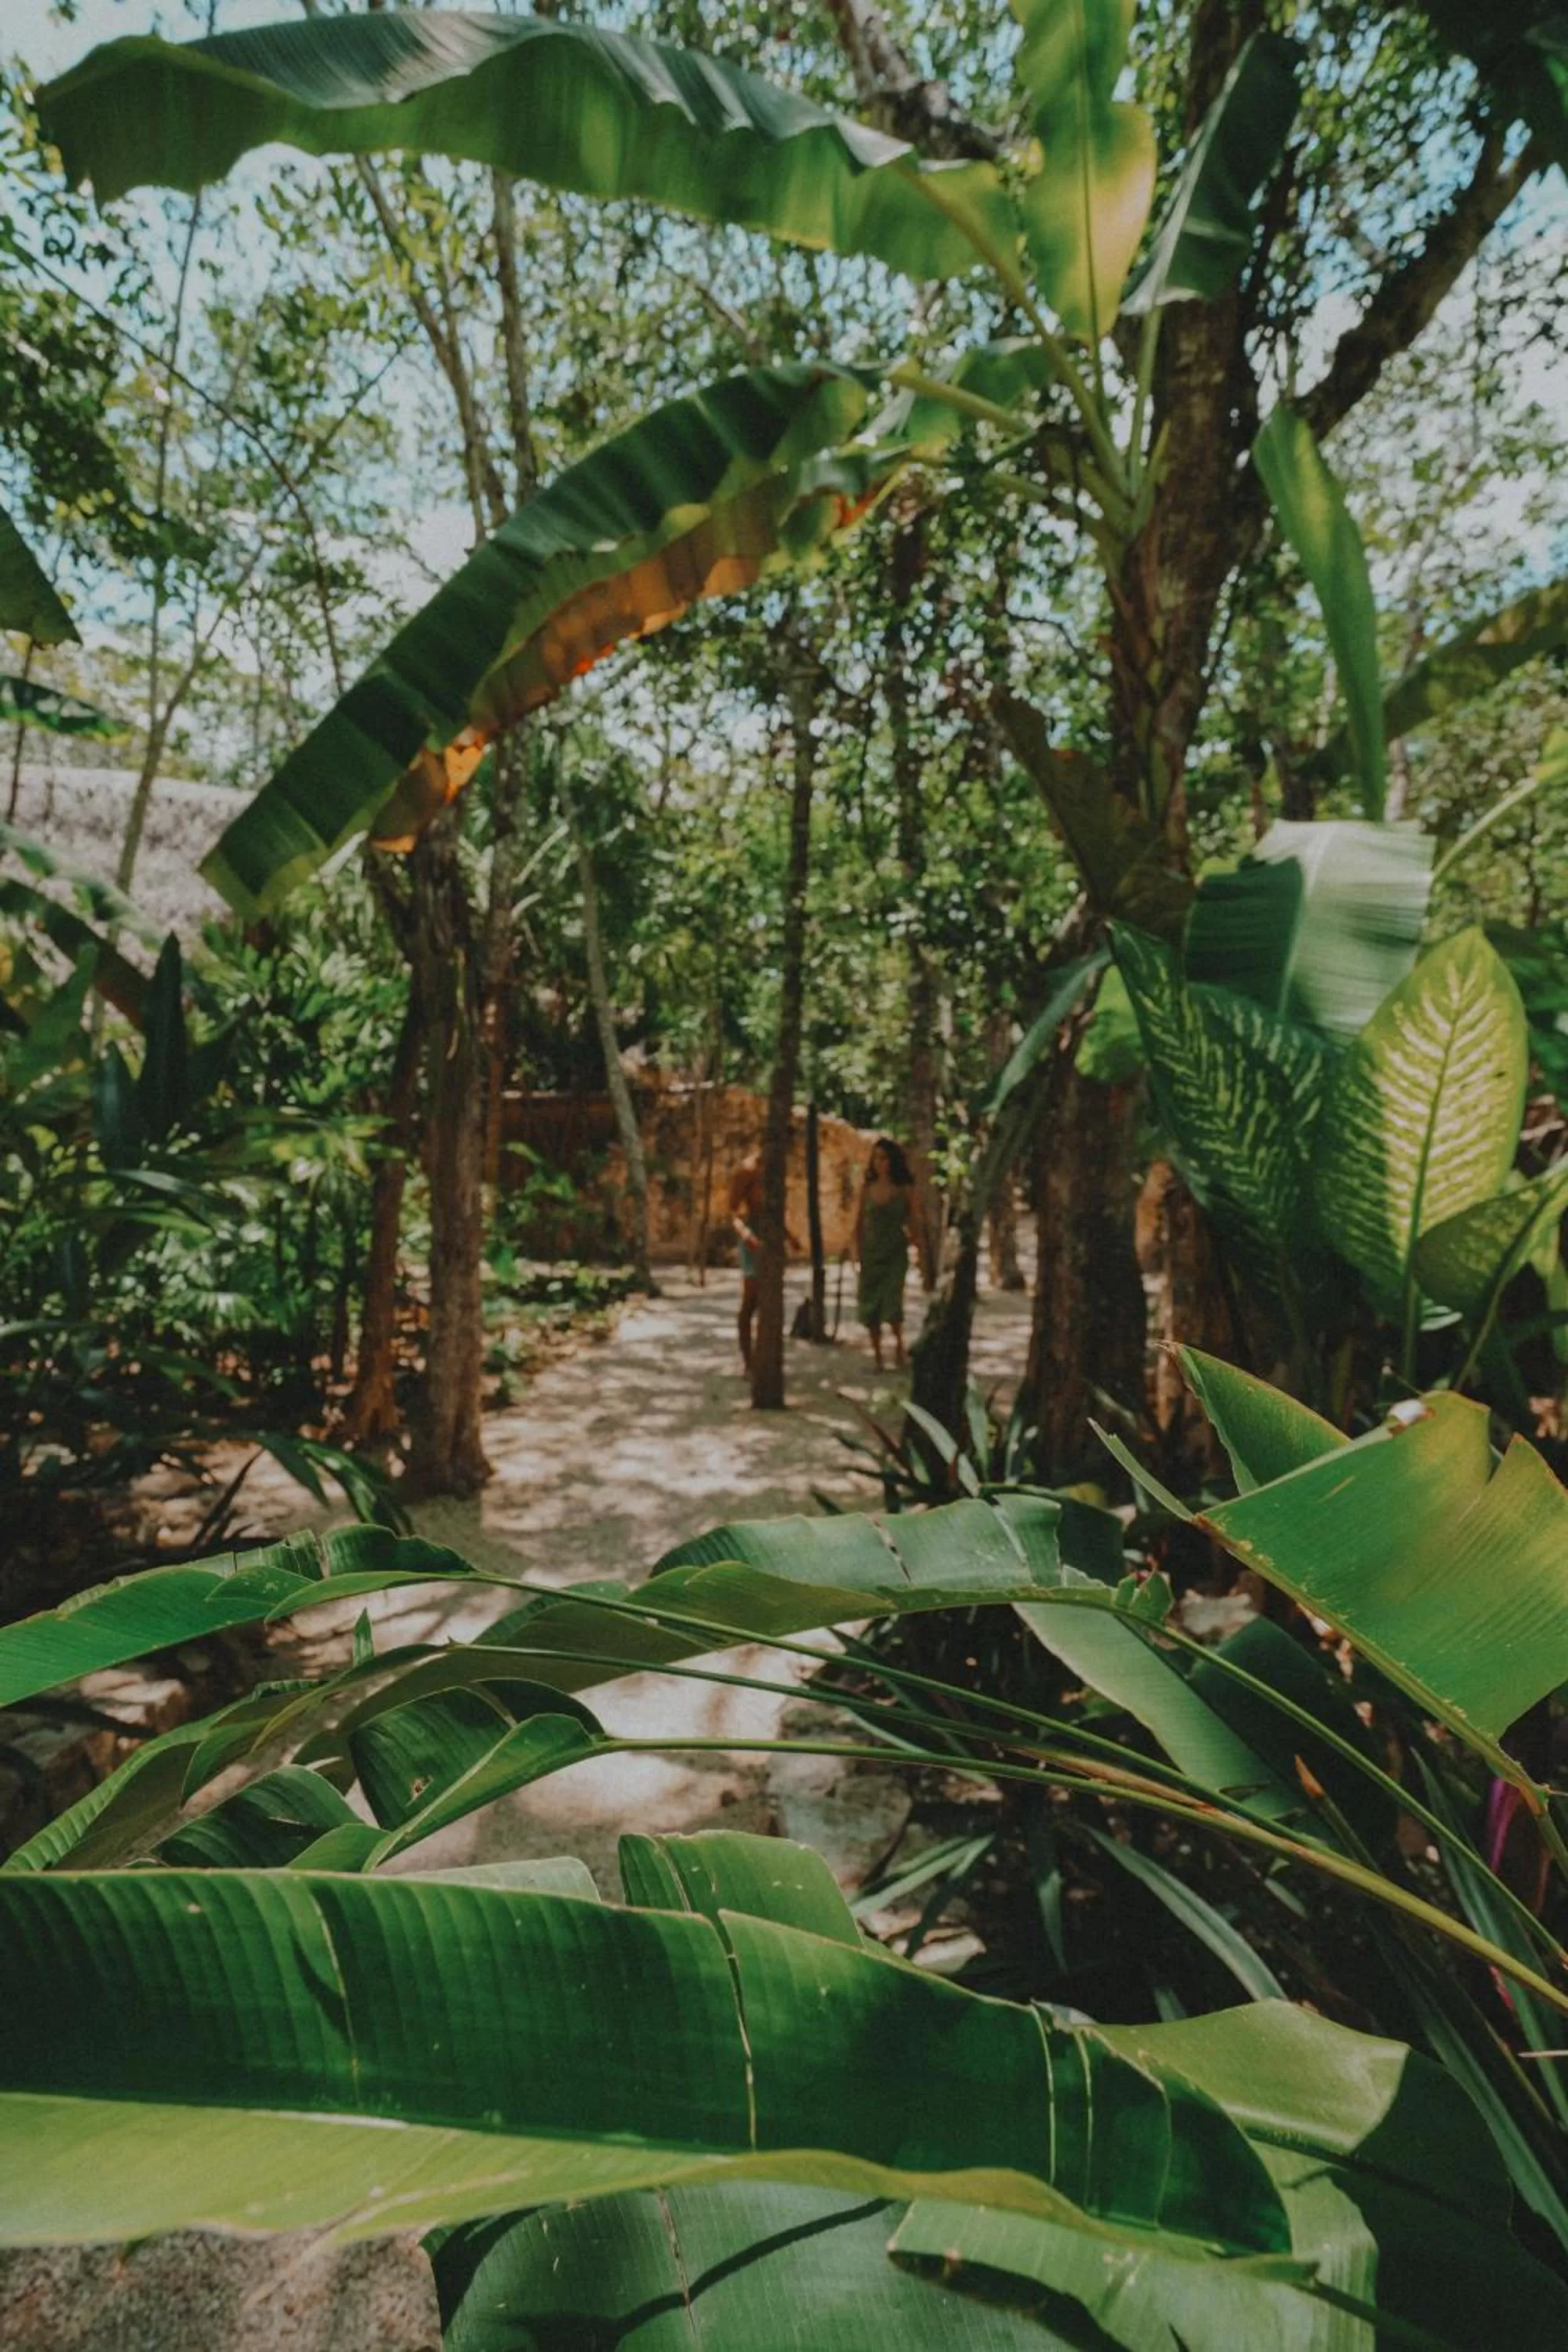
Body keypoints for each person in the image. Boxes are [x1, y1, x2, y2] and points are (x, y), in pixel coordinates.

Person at [728, 1145, 800, 1373]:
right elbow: (732, 1212)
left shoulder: (776, 1171)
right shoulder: (747, 1171)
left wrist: (789, 1237)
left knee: (768, 1301)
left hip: (771, 1237)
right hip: (753, 1239)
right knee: (750, 1300)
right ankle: (748, 1363)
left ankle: (765, 1360)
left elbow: (773, 1213)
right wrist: (746, 1235)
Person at [853, 1136, 913, 1370]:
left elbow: (915, 1221)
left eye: (884, 1158)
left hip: (896, 1252)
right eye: (876, 1158)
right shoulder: (866, 1189)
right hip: (871, 1254)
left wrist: (922, 1254)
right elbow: (859, 1223)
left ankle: (899, 1348)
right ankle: (877, 1356)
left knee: (893, 1302)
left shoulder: (904, 1189)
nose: (880, 1163)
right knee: (871, 1306)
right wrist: (857, 1253)